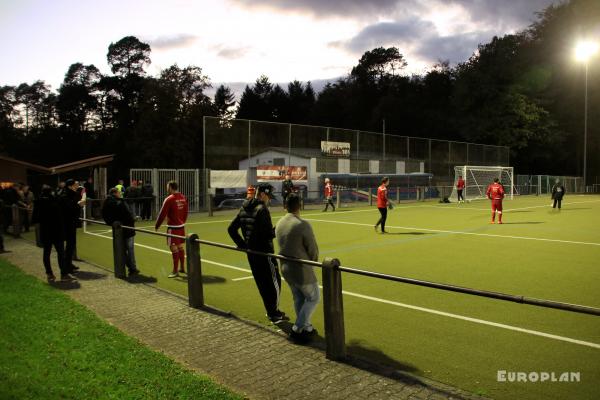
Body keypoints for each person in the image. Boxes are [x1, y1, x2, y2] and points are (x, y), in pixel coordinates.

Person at [228, 183, 288, 323]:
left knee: (262, 284)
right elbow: (267, 235)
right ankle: (275, 313)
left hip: (251, 254)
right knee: (275, 283)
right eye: (268, 196)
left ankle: (271, 311)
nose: (269, 200)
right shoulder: (262, 210)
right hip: (265, 254)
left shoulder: (243, 207)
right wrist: (278, 229)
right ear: (262, 194)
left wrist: (244, 245)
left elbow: (231, 229)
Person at [276, 193, 320, 342]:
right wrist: (313, 261)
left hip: (286, 268)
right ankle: (297, 328)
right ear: (299, 206)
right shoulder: (302, 224)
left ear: (285, 206)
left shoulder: (280, 222)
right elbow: (312, 248)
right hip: (301, 269)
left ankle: (306, 327)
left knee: (298, 298)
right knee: (313, 297)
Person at [32, 185, 75, 281]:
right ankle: (63, 274)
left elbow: (35, 218)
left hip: (45, 231)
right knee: (61, 253)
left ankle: (49, 273)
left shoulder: (38, 202)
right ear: (51, 192)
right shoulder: (55, 201)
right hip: (56, 231)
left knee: (47, 253)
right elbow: (61, 216)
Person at [103, 187, 140, 276]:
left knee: (121, 249)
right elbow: (127, 214)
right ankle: (132, 268)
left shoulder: (106, 202)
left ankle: (129, 267)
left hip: (117, 229)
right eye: (119, 192)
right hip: (127, 227)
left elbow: (104, 214)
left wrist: (111, 223)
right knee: (130, 249)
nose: (120, 193)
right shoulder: (120, 202)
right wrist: (134, 219)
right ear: (115, 193)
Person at [155, 181, 188, 278]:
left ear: (170, 187)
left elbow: (162, 214)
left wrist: (157, 225)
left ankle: (175, 271)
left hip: (173, 228)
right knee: (180, 247)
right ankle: (182, 268)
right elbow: (186, 211)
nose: (166, 188)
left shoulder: (169, 199)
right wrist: (182, 221)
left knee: (173, 248)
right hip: (181, 226)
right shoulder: (183, 197)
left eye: (167, 186)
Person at [61, 179, 85, 273]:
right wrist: (79, 205)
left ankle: (68, 264)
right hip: (68, 223)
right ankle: (67, 266)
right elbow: (69, 209)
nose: (77, 186)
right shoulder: (66, 195)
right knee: (69, 244)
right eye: (76, 185)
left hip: (71, 222)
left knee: (71, 245)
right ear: (70, 186)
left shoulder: (71, 194)